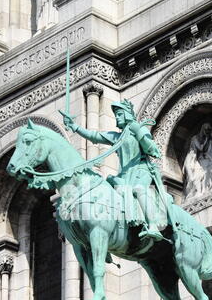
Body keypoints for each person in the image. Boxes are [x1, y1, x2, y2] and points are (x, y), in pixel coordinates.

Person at [61, 99, 166, 241]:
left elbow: (151, 149)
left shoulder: (136, 129)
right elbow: (94, 136)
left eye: (120, 114)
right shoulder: (117, 137)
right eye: (116, 114)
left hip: (141, 170)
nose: (116, 117)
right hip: (124, 175)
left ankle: (153, 226)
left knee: (139, 188)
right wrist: (74, 126)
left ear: (127, 115)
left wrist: (139, 132)